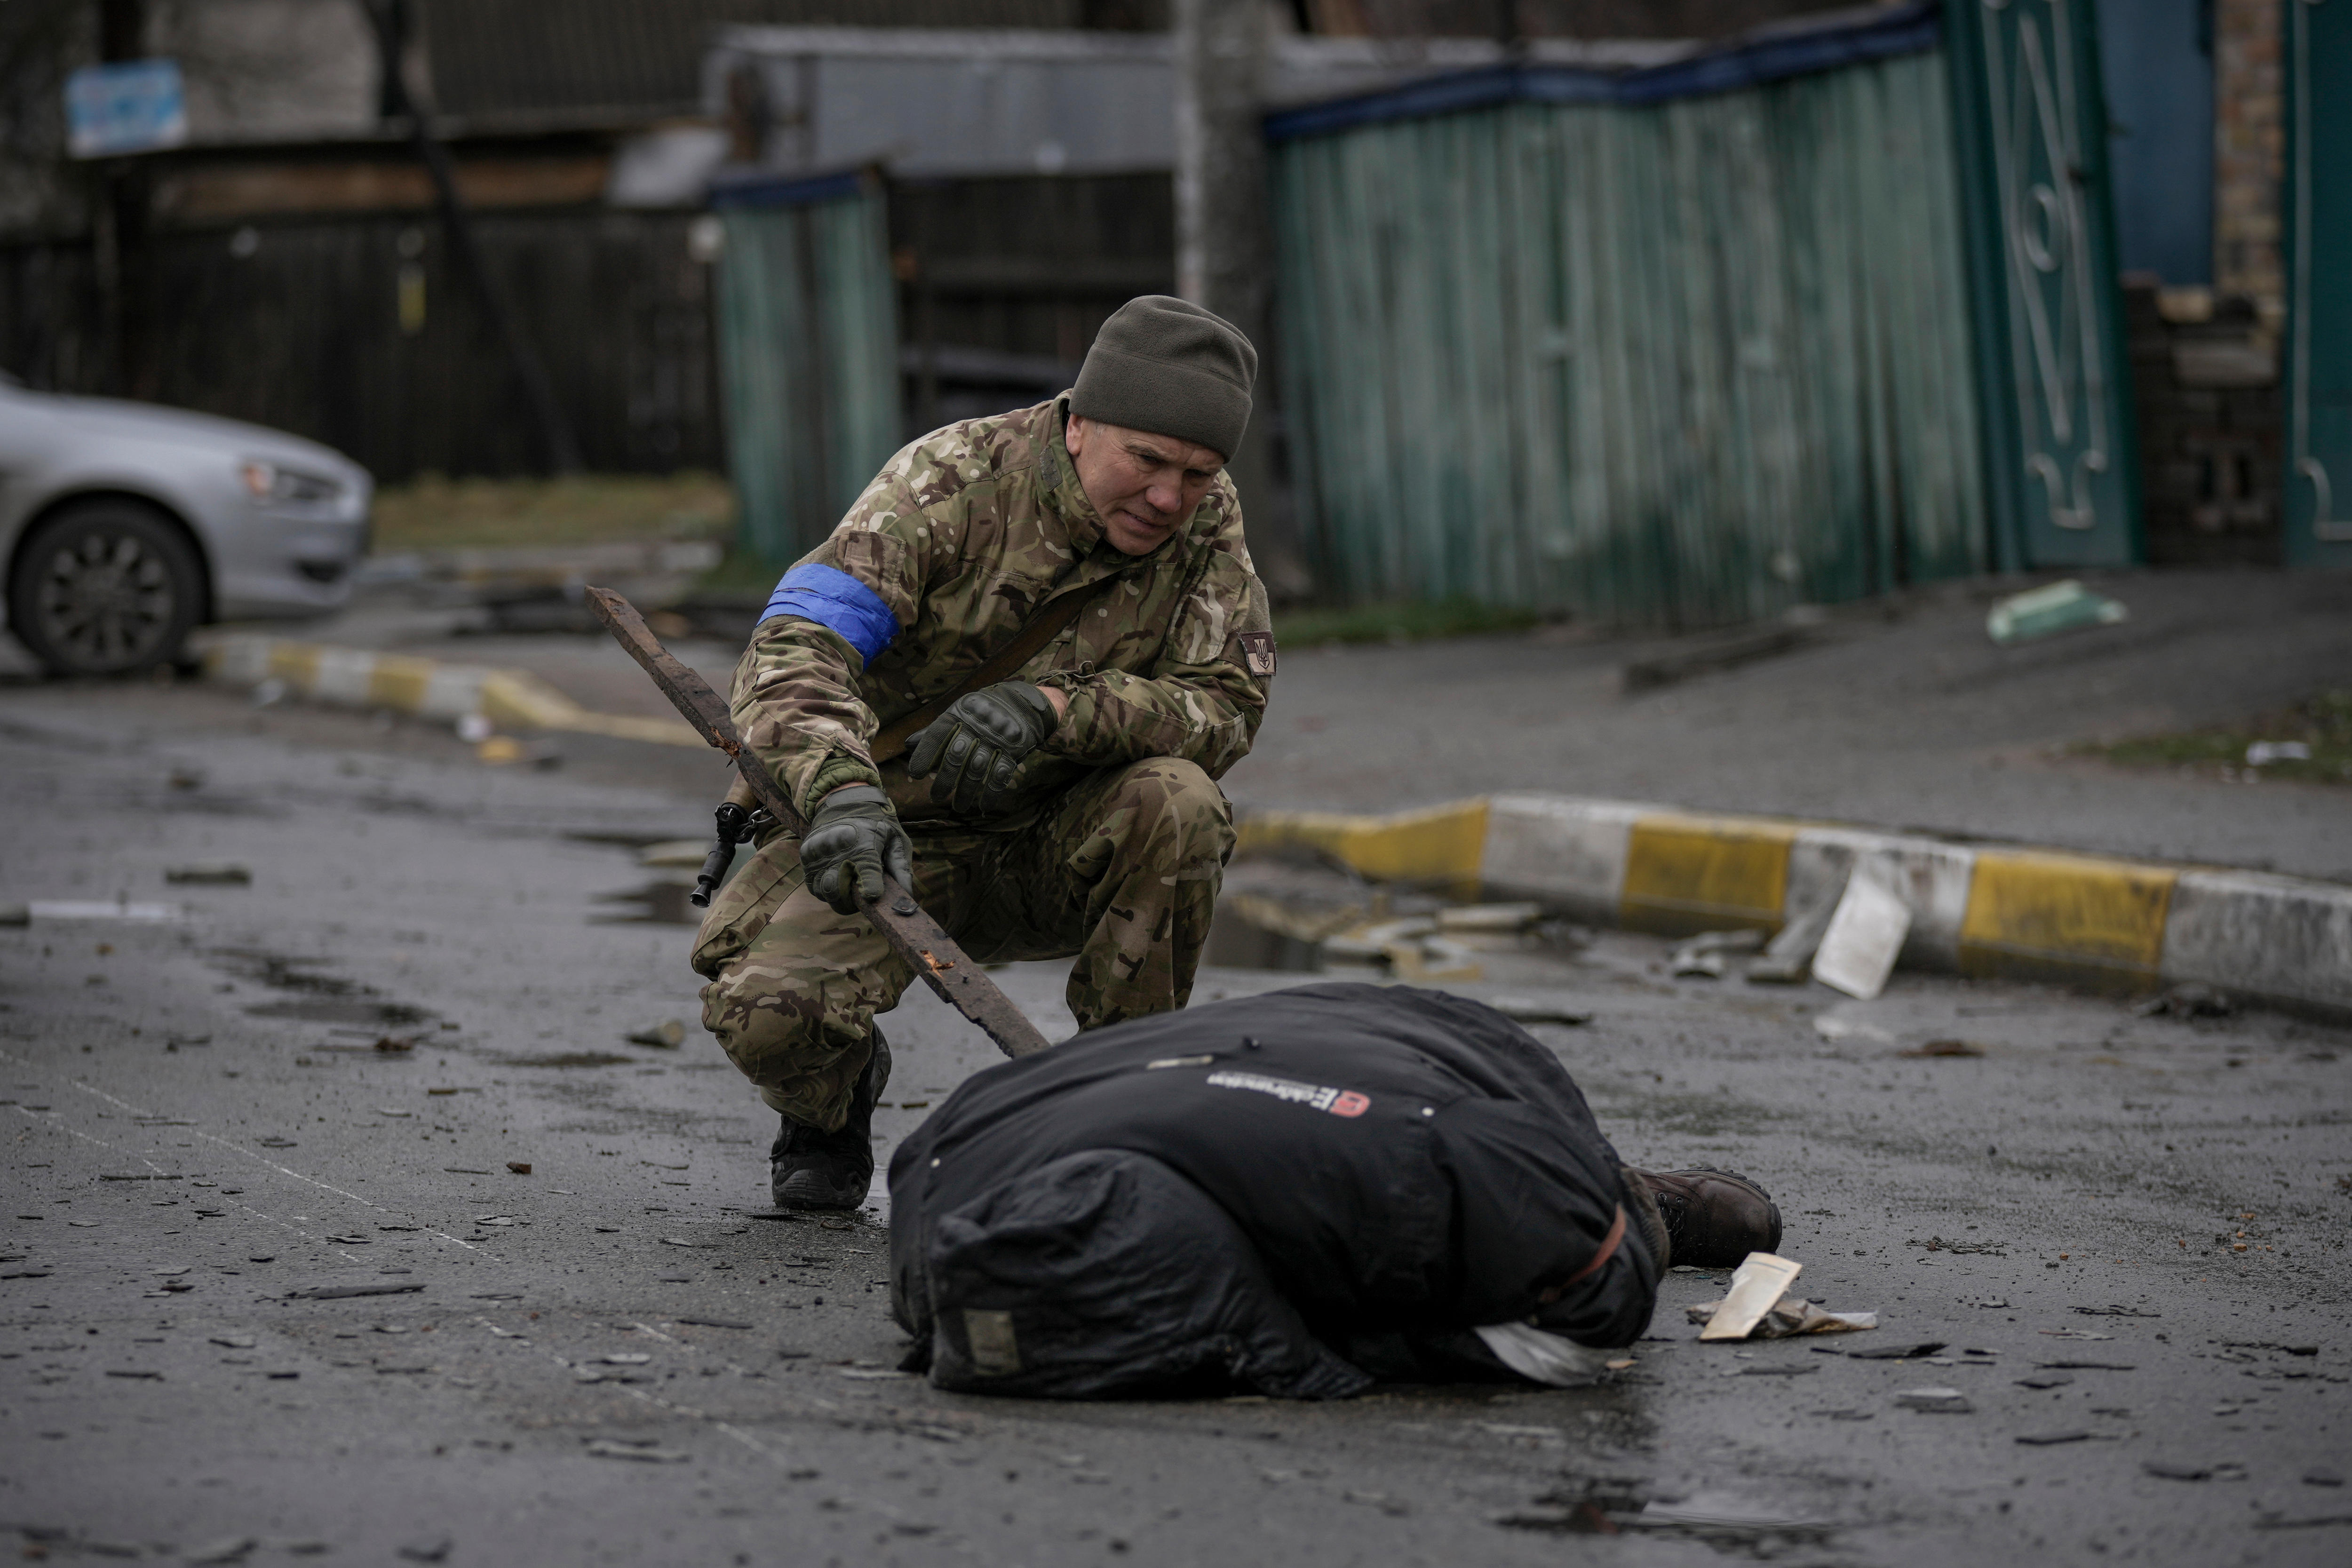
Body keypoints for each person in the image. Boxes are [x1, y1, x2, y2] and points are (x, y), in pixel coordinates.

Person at [693, 296, 1277, 1210]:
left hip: (1058, 840)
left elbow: (1225, 708)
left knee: (1181, 800)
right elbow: (797, 643)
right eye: (1149, 461)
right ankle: (833, 1094)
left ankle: (1115, 1114)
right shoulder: (950, 479)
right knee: (768, 1016)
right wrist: (840, 791)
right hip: (891, 838)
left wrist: (1059, 710)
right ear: (1080, 424)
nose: (1170, 496)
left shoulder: (1204, 527)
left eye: (1198, 472)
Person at [888, 983, 1784, 1398]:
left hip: (988, 1137)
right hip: (996, 1154)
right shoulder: (1118, 1230)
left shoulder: (1458, 1144)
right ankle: (1615, 1195)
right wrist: (1364, 1356)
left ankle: (1613, 1188)